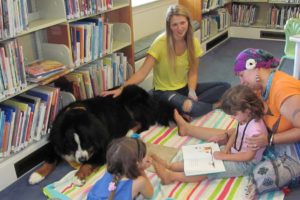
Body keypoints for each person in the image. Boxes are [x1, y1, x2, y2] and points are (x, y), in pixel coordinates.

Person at [102, 4, 230, 118]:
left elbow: (193, 72)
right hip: (163, 92)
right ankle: (213, 106)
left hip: (184, 88)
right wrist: (122, 88)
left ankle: (184, 107)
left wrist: (191, 90)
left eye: (182, 23)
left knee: (225, 87)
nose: (180, 28)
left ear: (188, 22)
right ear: (169, 26)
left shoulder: (193, 42)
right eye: (175, 24)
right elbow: (142, 73)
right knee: (191, 107)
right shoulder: (160, 43)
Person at [175, 48, 300, 160]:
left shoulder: (282, 90)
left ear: (255, 67)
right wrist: (227, 135)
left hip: (292, 148)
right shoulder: (259, 89)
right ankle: (187, 129)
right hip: (270, 136)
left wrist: (270, 140)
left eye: (242, 75)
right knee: (235, 132)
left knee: (241, 138)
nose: (241, 82)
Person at [151, 85, 268, 184]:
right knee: (206, 155)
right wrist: (226, 149)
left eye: (234, 114)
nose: (232, 117)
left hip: (245, 164)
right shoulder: (244, 118)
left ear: (247, 110)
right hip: (234, 151)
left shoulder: (255, 132)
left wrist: (225, 156)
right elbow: (236, 133)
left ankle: (171, 177)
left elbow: (248, 157)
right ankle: (171, 166)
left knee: (209, 170)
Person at [87, 137, 153, 200]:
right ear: (137, 163)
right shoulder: (140, 181)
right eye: (144, 155)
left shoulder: (108, 167)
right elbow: (150, 194)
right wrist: (141, 170)